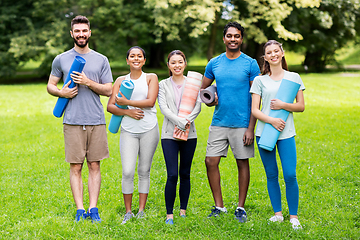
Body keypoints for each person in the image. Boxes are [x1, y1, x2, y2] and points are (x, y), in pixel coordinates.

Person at [47, 15, 113, 223]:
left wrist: (88, 82)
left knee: (94, 165)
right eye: (77, 31)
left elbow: (109, 89)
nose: (81, 34)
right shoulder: (61, 59)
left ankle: (93, 209)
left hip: (96, 120)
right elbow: (50, 85)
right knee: (75, 166)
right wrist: (60, 94)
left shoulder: (101, 59)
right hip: (72, 120)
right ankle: (79, 209)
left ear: (90, 32)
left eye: (84, 31)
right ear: (72, 33)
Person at [200, 22, 260, 222]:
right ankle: (219, 206)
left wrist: (251, 127)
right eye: (229, 36)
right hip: (219, 121)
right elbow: (203, 90)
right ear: (224, 38)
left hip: (242, 122)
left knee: (242, 163)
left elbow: (256, 96)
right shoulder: (214, 63)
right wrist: (210, 99)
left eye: (237, 36)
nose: (233, 39)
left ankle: (240, 208)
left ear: (241, 39)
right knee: (210, 161)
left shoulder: (250, 63)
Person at [250, 40, 305, 230]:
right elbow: (255, 110)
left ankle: (294, 216)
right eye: (269, 52)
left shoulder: (294, 77)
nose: (273, 54)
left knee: (290, 174)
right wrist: (272, 120)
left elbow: (301, 106)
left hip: (286, 133)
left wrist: (283, 106)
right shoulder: (259, 80)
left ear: (282, 53)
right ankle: (278, 214)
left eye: (276, 51)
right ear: (265, 57)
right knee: (271, 174)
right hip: (264, 133)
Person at [107, 46, 159, 224]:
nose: (136, 59)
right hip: (128, 130)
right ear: (127, 60)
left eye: (139, 56)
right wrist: (128, 112)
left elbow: (150, 102)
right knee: (128, 171)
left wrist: (127, 103)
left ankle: (142, 210)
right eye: (132, 56)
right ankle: (128, 211)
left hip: (149, 129)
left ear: (144, 60)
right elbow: (111, 106)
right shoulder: (120, 80)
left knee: (144, 171)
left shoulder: (151, 78)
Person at [158, 50, 201, 225]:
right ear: (168, 65)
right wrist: (179, 121)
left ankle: (182, 210)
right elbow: (163, 107)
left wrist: (187, 120)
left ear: (185, 64)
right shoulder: (163, 84)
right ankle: (169, 214)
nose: (177, 65)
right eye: (173, 62)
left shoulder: (193, 83)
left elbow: (198, 106)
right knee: (172, 175)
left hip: (190, 134)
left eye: (180, 62)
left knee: (185, 173)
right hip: (169, 134)